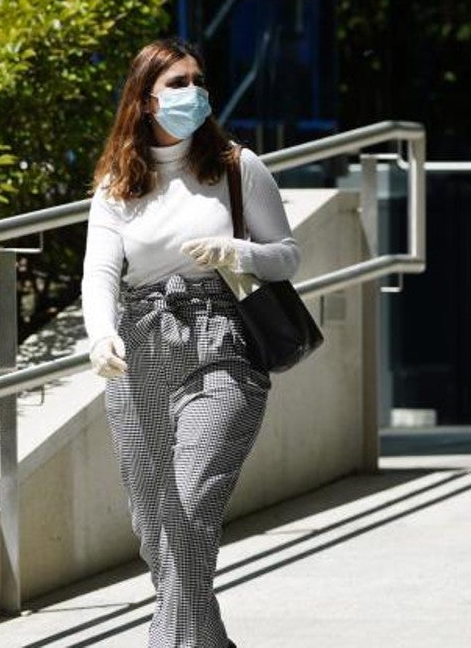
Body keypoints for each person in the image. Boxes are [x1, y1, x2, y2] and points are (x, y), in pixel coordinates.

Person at [81, 38, 300, 648]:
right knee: (154, 524)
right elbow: (100, 272)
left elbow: (287, 256)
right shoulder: (117, 185)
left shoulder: (237, 166)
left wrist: (239, 251)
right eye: (177, 83)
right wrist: (101, 335)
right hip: (141, 344)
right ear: (145, 99)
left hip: (223, 337)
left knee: (190, 501)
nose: (193, 93)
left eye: (198, 80)